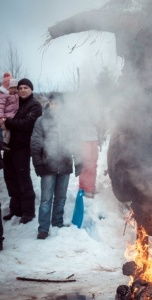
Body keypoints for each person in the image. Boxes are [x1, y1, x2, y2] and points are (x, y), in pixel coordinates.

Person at [31, 92, 82, 239]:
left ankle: (57, 222)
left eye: (58, 103)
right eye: (52, 103)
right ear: (49, 104)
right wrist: (38, 164)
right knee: (46, 200)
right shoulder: (41, 121)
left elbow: (75, 143)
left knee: (61, 198)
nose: (54, 106)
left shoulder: (69, 122)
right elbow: (35, 143)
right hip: (48, 166)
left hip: (64, 165)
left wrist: (78, 161)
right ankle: (43, 229)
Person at [2, 78, 42, 224]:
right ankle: (15, 209)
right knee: (10, 179)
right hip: (9, 147)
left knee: (23, 179)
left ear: (31, 89)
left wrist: (7, 122)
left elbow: (27, 124)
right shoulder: (15, 103)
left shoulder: (35, 105)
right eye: (20, 88)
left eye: (26, 87)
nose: (23, 90)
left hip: (23, 148)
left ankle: (28, 211)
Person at [0, 76, 19, 151]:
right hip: (5, 116)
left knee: (8, 130)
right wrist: (1, 118)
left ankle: (5, 143)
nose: (13, 89)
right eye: (11, 87)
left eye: (15, 87)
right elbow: (0, 107)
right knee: (4, 130)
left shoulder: (15, 95)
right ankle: (3, 143)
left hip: (12, 116)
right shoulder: (3, 96)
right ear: (7, 88)